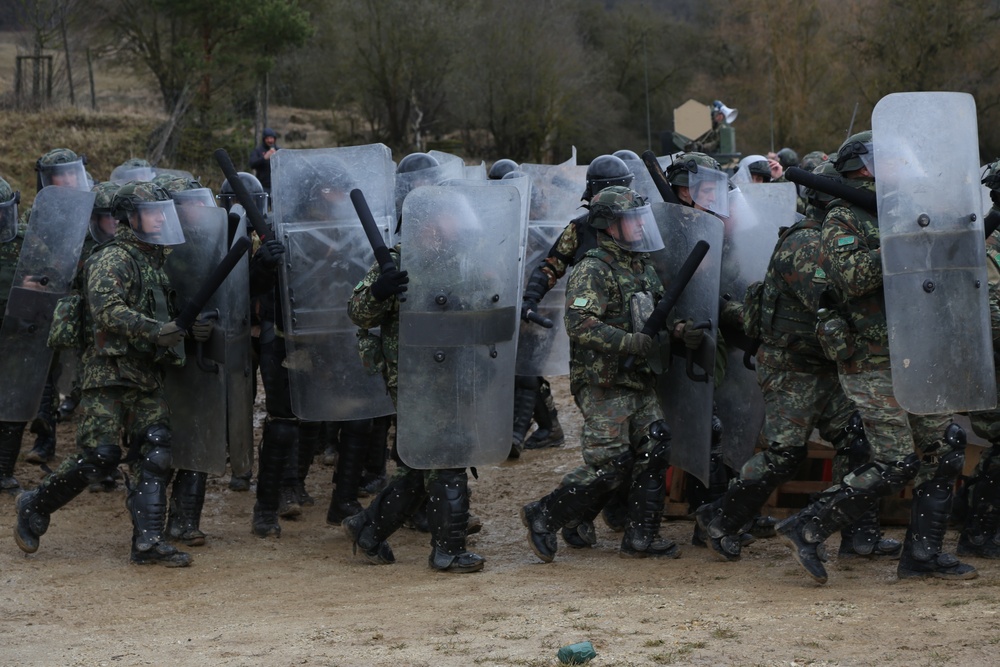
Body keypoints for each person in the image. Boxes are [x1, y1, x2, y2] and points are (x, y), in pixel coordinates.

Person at [775, 131, 976, 583]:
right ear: (865, 166)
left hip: (915, 350)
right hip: (869, 358)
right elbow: (854, 277)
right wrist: (906, 240)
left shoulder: (902, 209)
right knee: (896, 462)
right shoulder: (843, 217)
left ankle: (922, 557)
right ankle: (808, 526)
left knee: (945, 448)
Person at [695, 160, 901, 562]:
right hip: (792, 365)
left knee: (857, 440)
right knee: (784, 454)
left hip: (825, 363)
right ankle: (719, 518)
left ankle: (858, 537)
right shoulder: (804, 243)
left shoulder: (838, 236)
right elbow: (839, 300)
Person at [14, 180, 213, 567]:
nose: (160, 218)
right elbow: (107, 311)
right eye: (153, 212)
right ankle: (34, 504)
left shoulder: (154, 261)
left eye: (163, 212)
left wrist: (188, 328)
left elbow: (160, 313)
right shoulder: (113, 258)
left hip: (144, 373)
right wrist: (158, 331)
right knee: (100, 456)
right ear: (131, 217)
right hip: (106, 373)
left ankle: (148, 542)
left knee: (156, 450)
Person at [521, 185, 703, 562]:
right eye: (630, 220)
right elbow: (580, 324)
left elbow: (656, 320)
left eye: (640, 219)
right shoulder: (593, 268)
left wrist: (681, 332)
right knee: (611, 466)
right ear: (608, 226)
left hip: (638, 379)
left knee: (656, 445)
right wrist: (629, 343)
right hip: (604, 381)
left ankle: (641, 537)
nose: (639, 227)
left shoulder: (641, 266)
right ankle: (545, 514)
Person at [343, 164, 486, 573]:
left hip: (454, 374)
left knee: (421, 463)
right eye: (449, 214)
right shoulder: (398, 261)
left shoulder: (459, 260)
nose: (457, 222)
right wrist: (378, 290)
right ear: (427, 223)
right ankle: (448, 550)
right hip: (413, 378)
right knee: (447, 455)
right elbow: (357, 312)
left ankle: (368, 529)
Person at [0, 176, 25, 494]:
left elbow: (50, 270)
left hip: (16, 333)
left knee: (15, 400)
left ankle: (3, 470)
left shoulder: (24, 240)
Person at [249, 128, 279, 197]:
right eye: (267, 138)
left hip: (277, 186)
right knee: (263, 206)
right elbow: (252, 164)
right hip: (263, 186)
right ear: (264, 139)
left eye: (271, 138)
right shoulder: (258, 151)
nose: (270, 140)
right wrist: (264, 158)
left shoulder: (279, 150)